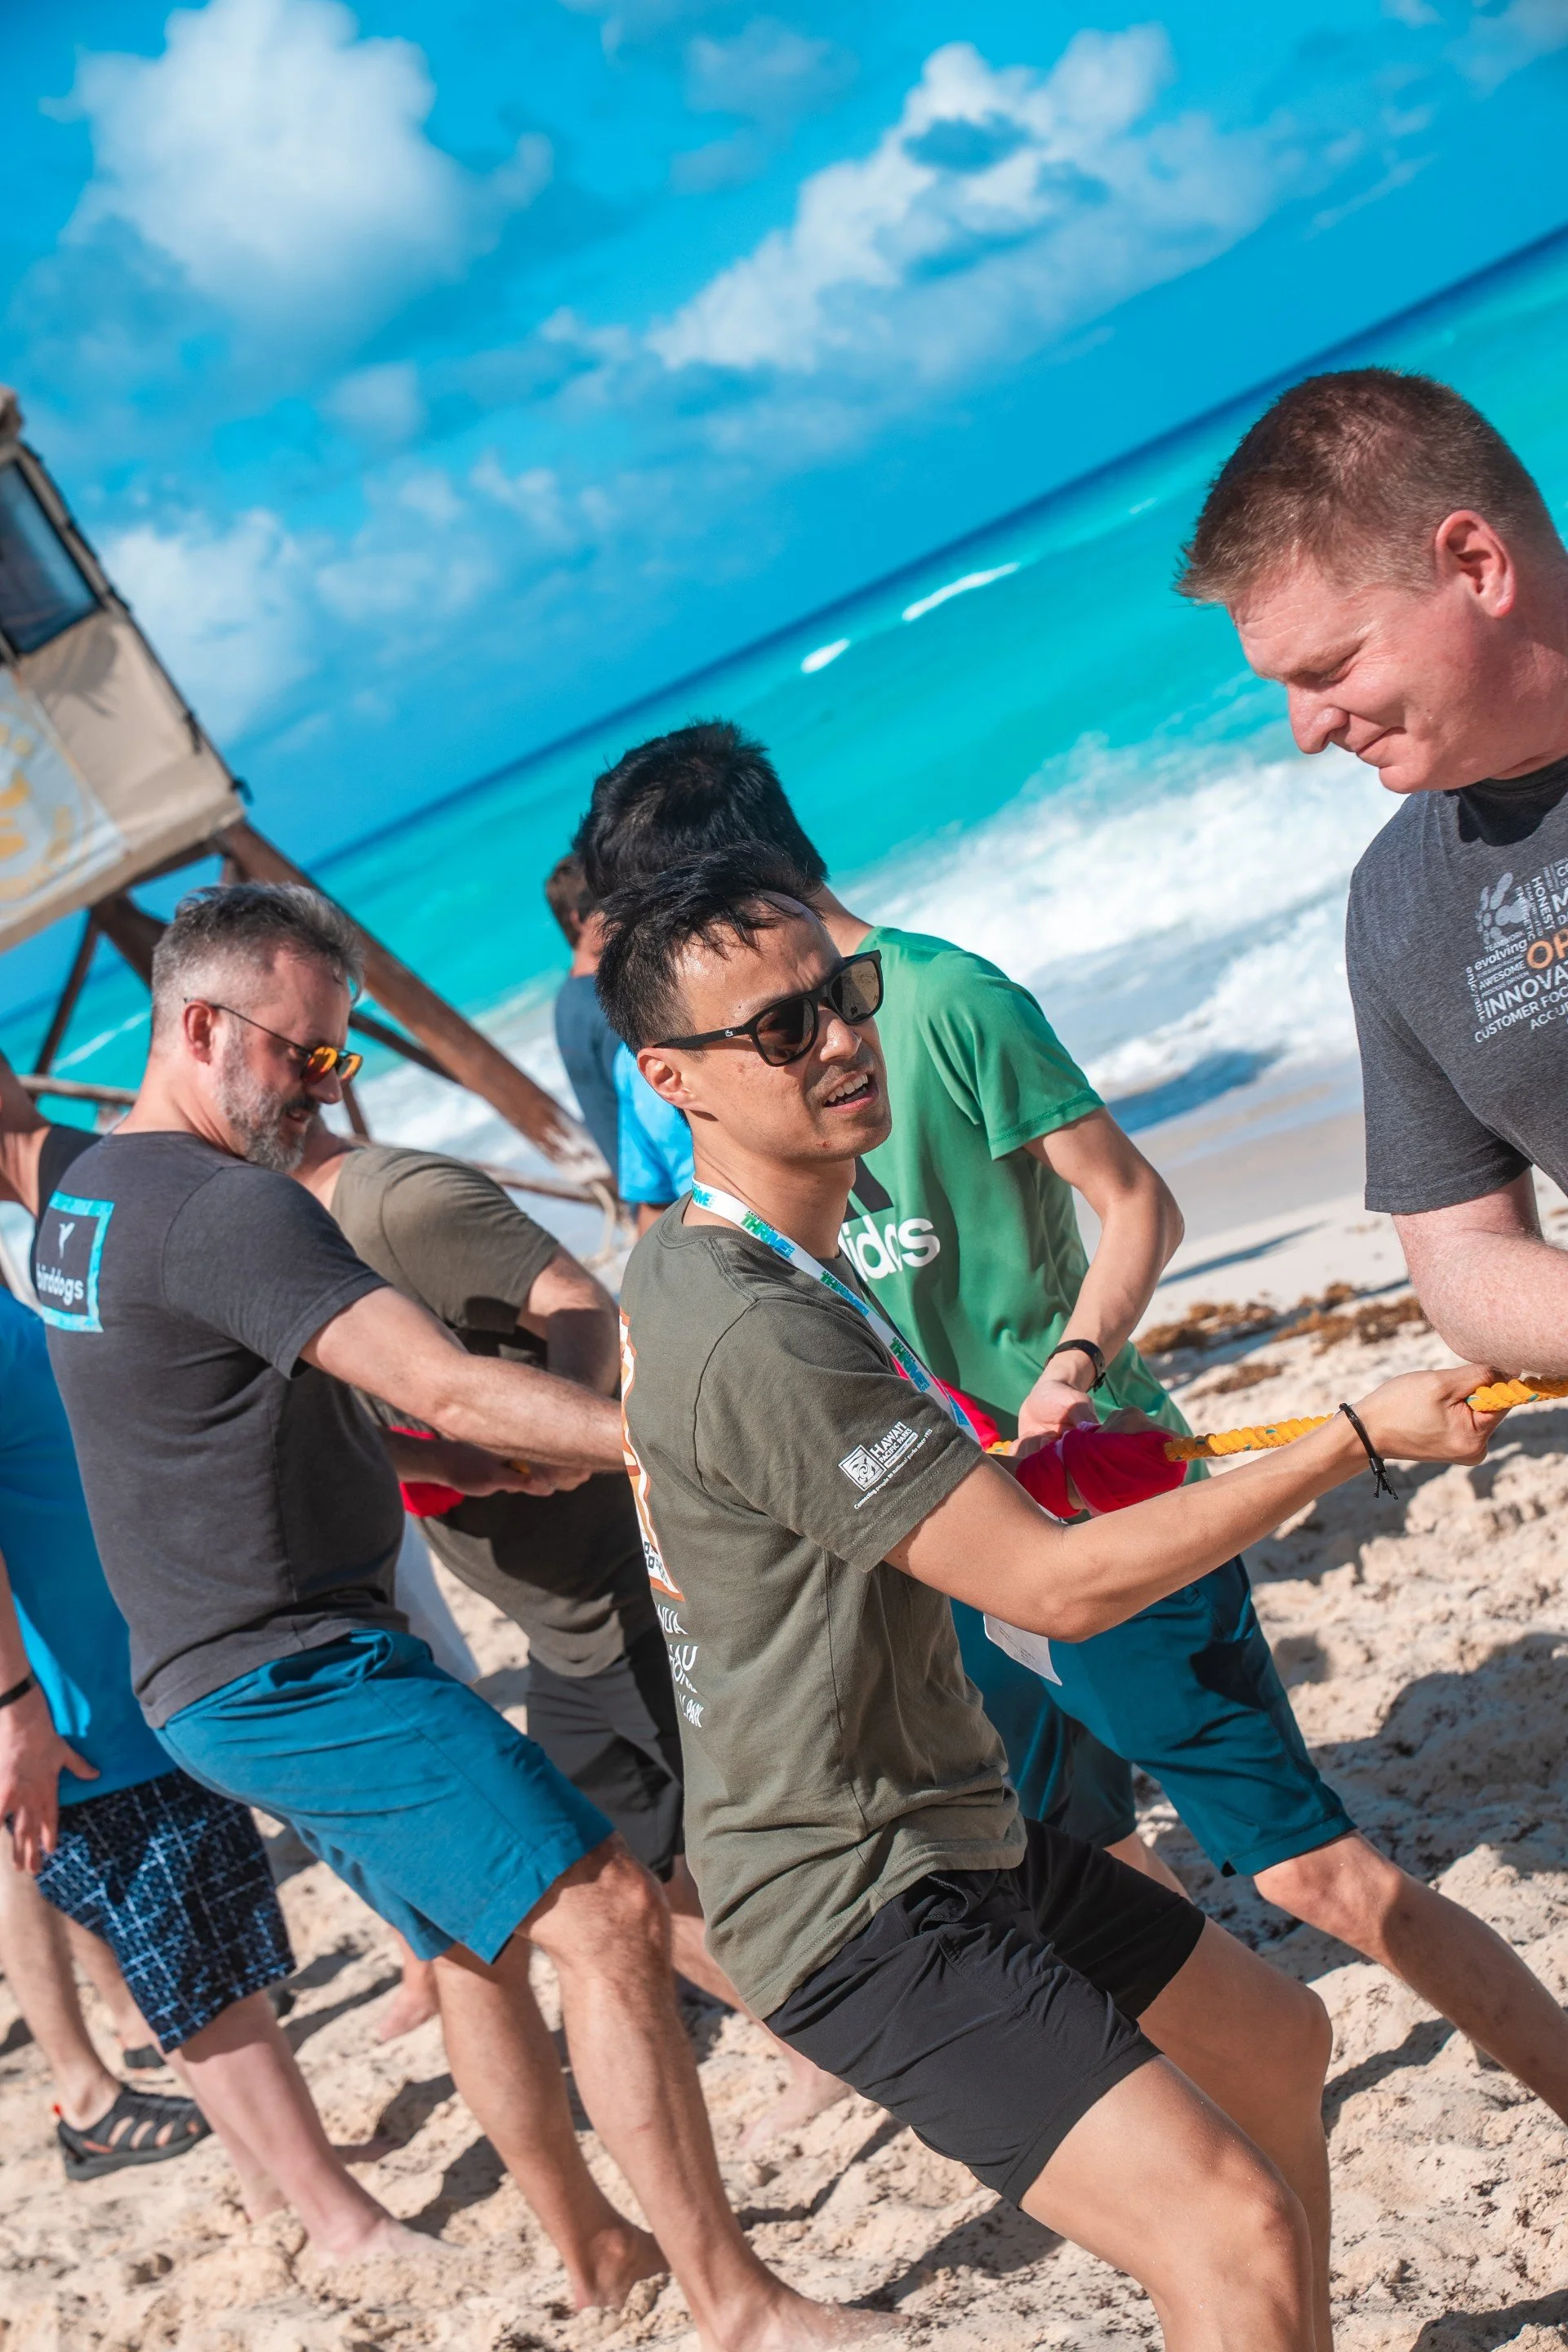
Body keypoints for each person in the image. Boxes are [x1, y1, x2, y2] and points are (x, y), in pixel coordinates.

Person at [576, 718, 1568, 2125]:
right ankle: (1226, 2110)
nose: (830, 1038)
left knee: (1311, 1874)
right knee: (1077, 1855)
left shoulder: (935, 1003)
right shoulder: (758, 1152)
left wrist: (1077, 1359)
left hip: (1099, 1494)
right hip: (960, 1536)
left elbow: (1137, 1200)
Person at [34, 877, 876, 2347]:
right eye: (304, 1055)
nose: (324, 1091)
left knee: (478, 1948)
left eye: (344, 1059)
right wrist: (684, 1433)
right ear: (199, 1026)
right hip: (299, 1666)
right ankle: (734, 2300)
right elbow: (433, 1371)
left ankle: (598, 2251)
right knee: (609, 1909)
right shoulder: (229, 1208)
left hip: (214, 1675)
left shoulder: (84, 1196)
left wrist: (450, 1462)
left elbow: (219, 1405)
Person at [292, 1117, 844, 2135]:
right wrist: (450, 1463)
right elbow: (342, 1435)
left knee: (785, 1831)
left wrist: (566, 1419)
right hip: (560, 1631)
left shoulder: (401, 1202)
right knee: (618, 1870)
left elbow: (582, 1301)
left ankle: (870, 2029)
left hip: (641, 1578)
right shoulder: (267, 1262)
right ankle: (809, 2045)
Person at [0, 1282, 421, 2247]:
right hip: (78, 1703)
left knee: (196, 1954)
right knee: (197, 1960)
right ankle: (334, 2214)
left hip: (125, 1666)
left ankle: (277, 2183)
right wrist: (14, 1708)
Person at [1181, 366, 1568, 1385]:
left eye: (1331, 668)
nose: (1307, 731)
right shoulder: (1399, 901)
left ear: (1477, 565)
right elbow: (1459, 1254)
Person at [546, 853, 621, 1181]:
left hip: (636, 1186)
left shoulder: (568, 1000)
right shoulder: (608, 1004)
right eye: (614, 906)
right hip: (671, 1192)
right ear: (579, 919)